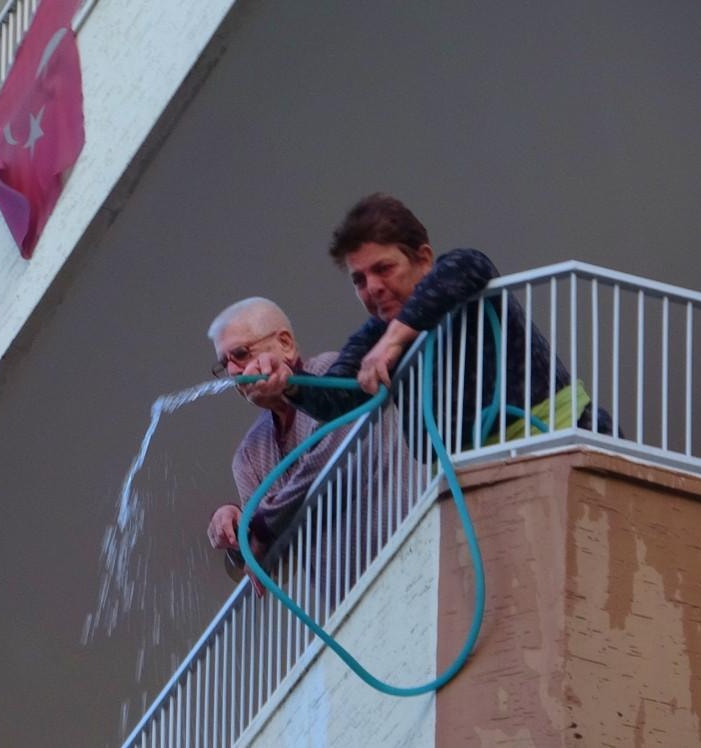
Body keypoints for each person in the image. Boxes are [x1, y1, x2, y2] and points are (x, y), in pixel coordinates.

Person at [246, 193, 613, 442]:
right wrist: (289, 381)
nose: (373, 287)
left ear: (423, 259)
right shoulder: (373, 335)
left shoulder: (456, 280)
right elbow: (340, 396)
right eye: (359, 280)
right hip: (473, 475)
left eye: (383, 269)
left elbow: (469, 263)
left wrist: (393, 341)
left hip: (562, 438)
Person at [204, 298, 352, 586]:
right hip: (345, 595)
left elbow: (332, 465)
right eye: (224, 364)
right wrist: (235, 527)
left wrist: (264, 523)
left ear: (285, 344)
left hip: (407, 540)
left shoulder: (328, 372)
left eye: (240, 354)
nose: (233, 372)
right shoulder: (249, 454)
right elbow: (270, 563)